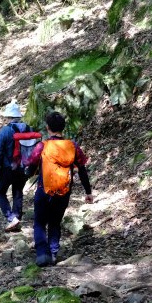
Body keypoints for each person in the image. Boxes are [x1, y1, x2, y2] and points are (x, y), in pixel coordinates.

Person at [23, 111, 94, 267]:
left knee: (40, 222)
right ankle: (54, 253)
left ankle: (42, 254)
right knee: (55, 222)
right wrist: (88, 192)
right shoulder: (73, 146)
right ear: (63, 128)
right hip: (64, 192)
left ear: (47, 128)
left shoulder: (42, 146)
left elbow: (30, 163)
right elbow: (82, 169)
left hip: (44, 190)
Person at [0, 100, 36, 231]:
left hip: (7, 168)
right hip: (24, 168)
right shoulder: (29, 128)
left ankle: (12, 218)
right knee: (18, 192)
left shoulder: (5, 131)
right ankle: (17, 217)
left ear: (8, 117)